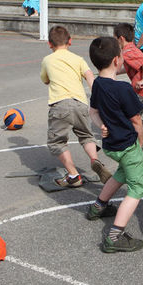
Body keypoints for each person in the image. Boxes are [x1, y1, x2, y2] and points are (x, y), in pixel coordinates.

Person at [86, 36, 143, 253]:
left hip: (111, 146)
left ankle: (98, 207)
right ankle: (114, 236)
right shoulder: (122, 89)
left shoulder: (97, 85)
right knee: (137, 187)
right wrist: (139, 141)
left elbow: (92, 112)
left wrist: (102, 124)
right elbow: (136, 120)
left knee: (121, 174)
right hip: (126, 145)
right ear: (117, 60)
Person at [40, 25, 112, 187]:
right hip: (80, 104)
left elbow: (45, 80)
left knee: (57, 142)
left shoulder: (47, 60)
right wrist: (98, 96)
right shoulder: (78, 59)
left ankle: (73, 175)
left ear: (50, 44)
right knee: (86, 136)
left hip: (60, 105)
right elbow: (89, 76)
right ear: (70, 41)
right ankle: (95, 160)